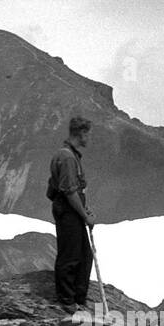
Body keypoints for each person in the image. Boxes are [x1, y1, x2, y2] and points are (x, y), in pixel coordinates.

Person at [47, 116, 96, 307]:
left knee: (84, 254)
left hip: (71, 211)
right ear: (81, 133)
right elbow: (69, 191)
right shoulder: (68, 158)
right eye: (88, 134)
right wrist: (84, 215)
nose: (89, 138)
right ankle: (67, 300)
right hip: (68, 212)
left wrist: (84, 209)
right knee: (71, 256)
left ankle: (78, 296)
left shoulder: (68, 154)